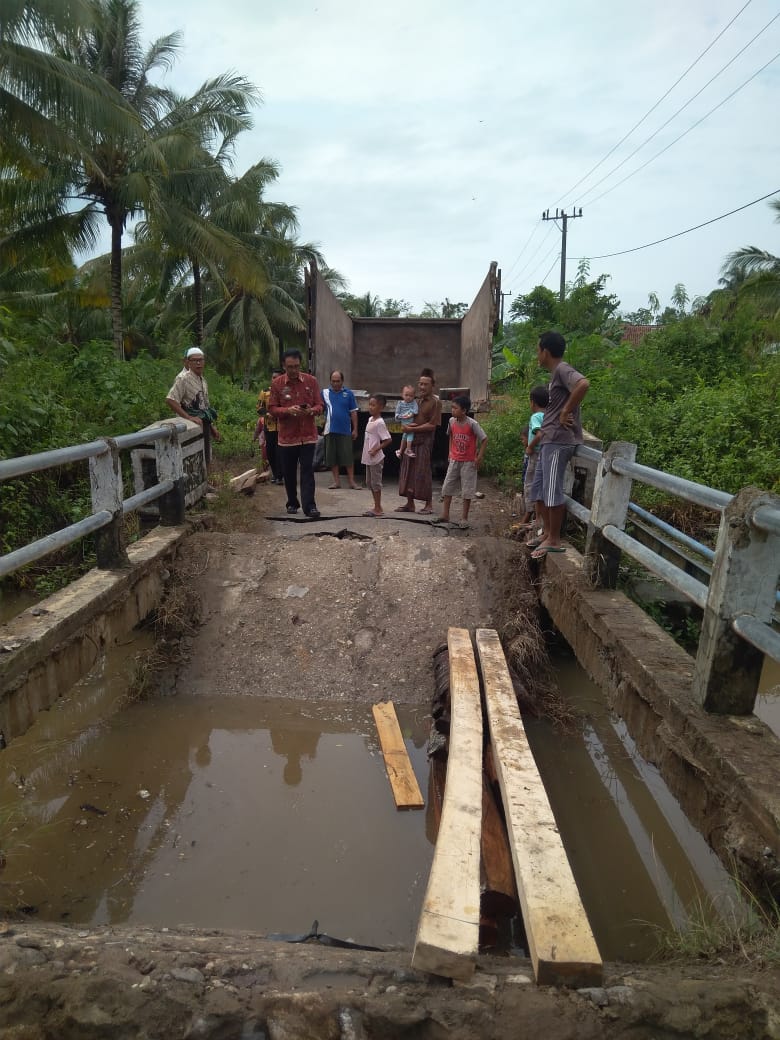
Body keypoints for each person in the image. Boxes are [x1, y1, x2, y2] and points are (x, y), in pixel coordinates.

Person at [527, 331, 589, 559]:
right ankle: (546, 534)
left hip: (559, 442)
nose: (537, 355)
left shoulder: (563, 369)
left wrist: (565, 411)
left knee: (552, 490)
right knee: (539, 490)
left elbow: (583, 384)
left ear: (546, 351)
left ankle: (554, 538)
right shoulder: (556, 374)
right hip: (548, 440)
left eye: (538, 350)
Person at [269, 349, 323, 518]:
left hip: (307, 435)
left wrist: (311, 411)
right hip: (287, 437)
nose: (293, 370)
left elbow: (319, 405)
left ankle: (310, 506)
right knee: (289, 472)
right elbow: (271, 408)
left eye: (296, 366)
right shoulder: (277, 384)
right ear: (283, 365)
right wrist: (287, 410)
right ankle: (292, 502)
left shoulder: (311, 381)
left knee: (307, 470)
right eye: (290, 367)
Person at [165, 346, 220, 473]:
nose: (198, 363)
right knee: (192, 459)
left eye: (201, 360)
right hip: (190, 425)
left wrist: (211, 427)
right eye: (195, 360)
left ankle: (206, 486)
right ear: (187, 362)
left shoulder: (203, 380)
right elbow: (170, 399)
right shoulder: (183, 378)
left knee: (205, 455)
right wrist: (188, 417)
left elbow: (204, 407)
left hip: (203, 424)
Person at [437, 396, 488, 528]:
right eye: (452, 407)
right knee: (447, 486)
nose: (452, 410)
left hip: (468, 462)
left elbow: (484, 439)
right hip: (454, 460)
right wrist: (450, 452)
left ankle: (464, 518)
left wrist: (479, 457)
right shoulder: (451, 421)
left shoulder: (472, 424)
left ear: (464, 410)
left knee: (467, 490)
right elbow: (452, 437)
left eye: (455, 408)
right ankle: (445, 514)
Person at [396, 368, 442, 514]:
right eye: (420, 384)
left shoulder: (435, 402)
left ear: (432, 385)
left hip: (425, 441)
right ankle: (410, 503)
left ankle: (428, 504)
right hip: (412, 440)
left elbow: (432, 425)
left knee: (423, 471)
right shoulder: (416, 400)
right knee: (408, 470)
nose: (422, 387)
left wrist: (413, 430)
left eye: (425, 384)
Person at [518, 385, 549, 530]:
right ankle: (537, 517)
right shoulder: (548, 415)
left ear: (533, 402)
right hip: (544, 453)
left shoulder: (536, 416)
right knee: (539, 486)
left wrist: (530, 447)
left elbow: (540, 433)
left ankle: (531, 515)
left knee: (530, 484)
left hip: (535, 454)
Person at [321, 370, 359, 489]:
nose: (336, 383)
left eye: (338, 381)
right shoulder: (324, 393)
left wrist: (355, 429)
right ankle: (337, 482)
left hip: (345, 430)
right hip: (330, 430)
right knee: (333, 458)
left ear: (342, 381)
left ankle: (352, 482)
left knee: (348, 457)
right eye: (333, 381)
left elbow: (353, 413)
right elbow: (318, 408)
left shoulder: (349, 394)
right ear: (330, 381)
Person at [360, 394, 392, 517]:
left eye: (374, 405)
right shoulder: (370, 420)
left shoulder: (380, 423)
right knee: (369, 483)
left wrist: (376, 449)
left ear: (381, 407)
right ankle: (376, 506)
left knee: (376, 483)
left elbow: (388, 440)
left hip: (376, 458)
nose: (371, 407)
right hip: (368, 457)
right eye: (370, 404)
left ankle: (378, 508)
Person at [257, 381, 283, 483]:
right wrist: (268, 414)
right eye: (273, 377)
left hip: (283, 428)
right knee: (270, 452)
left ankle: (280, 476)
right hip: (269, 427)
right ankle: (276, 474)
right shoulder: (265, 392)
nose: (275, 379)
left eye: (277, 377)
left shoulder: (284, 391)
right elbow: (259, 408)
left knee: (280, 452)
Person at [394, 385, 418, 459]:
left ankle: (400, 450)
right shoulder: (400, 403)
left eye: (410, 396)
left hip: (410, 420)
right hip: (404, 422)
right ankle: (408, 449)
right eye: (406, 395)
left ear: (414, 396)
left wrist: (411, 413)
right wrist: (399, 416)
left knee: (405, 436)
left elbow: (416, 411)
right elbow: (397, 413)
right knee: (410, 433)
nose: (408, 397)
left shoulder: (414, 402)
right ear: (402, 395)